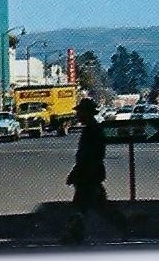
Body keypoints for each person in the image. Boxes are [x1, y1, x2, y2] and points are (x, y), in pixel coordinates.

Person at [65, 98, 127, 243]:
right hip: (89, 174)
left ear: (87, 113)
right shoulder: (92, 128)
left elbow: (90, 155)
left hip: (89, 174)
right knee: (94, 206)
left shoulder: (92, 130)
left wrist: (78, 172)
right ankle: (124, 225)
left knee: (84, 206)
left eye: (80, 112)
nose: (77, 115)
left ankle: (76, 234)